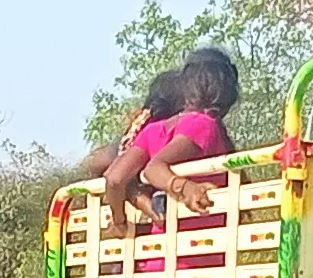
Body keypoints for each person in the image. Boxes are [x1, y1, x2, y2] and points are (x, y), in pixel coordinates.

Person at [100, 46, 241, 237]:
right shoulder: (205, 125)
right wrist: (185, 187)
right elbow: (154, 167)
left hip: (160, 256)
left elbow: (114, 178)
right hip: (200, 257)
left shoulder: (153, 130)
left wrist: (119, 222)